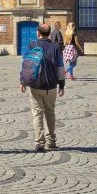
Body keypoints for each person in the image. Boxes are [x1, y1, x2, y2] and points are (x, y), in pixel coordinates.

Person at [19, 23, 65, 152]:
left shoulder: (32, 45)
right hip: (51, 86)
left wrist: (23, 81)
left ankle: (39, 142)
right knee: (50, 113)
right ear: (49, 34)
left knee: (37, 113)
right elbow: (60, 68)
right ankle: (51, 141)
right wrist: (61, 84)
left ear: (38, 33)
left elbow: (25, 64)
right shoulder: (55, 47)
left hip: (35, 85)